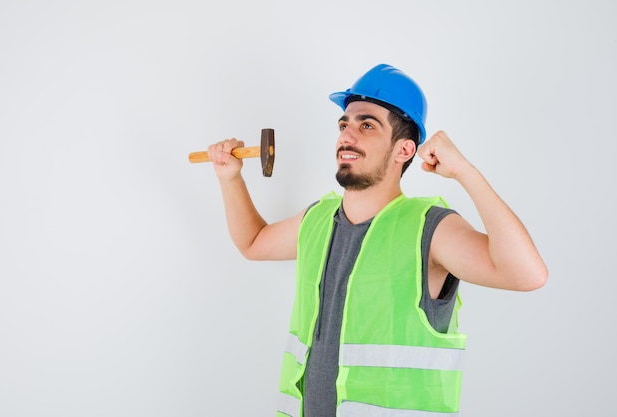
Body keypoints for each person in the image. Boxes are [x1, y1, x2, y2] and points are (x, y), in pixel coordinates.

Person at [206, 64, 547, 417]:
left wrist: (464, 171)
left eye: (366, 125)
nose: (346, 136)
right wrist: (229, 178)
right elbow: (253, 241)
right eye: (344, 124)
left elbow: (526, 274)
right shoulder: (317, 219)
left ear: (404, 150)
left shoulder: (429, 229)